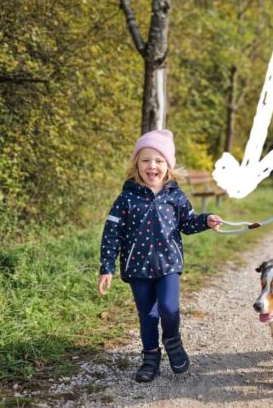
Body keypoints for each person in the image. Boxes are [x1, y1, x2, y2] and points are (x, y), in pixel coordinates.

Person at [97, 129, 223, 383]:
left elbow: (188, 223)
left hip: (169, 265)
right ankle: (150, 357)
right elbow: (112, 233)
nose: (152, 166)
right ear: (136, 164)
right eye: (145, 160)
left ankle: (173, 341)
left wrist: (206, 220)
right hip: (137, 268)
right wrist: (106, 267)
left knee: (168, 308)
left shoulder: (175, 196)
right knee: (148, 315)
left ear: (168, 166)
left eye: (158, 160)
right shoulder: (126, 198)